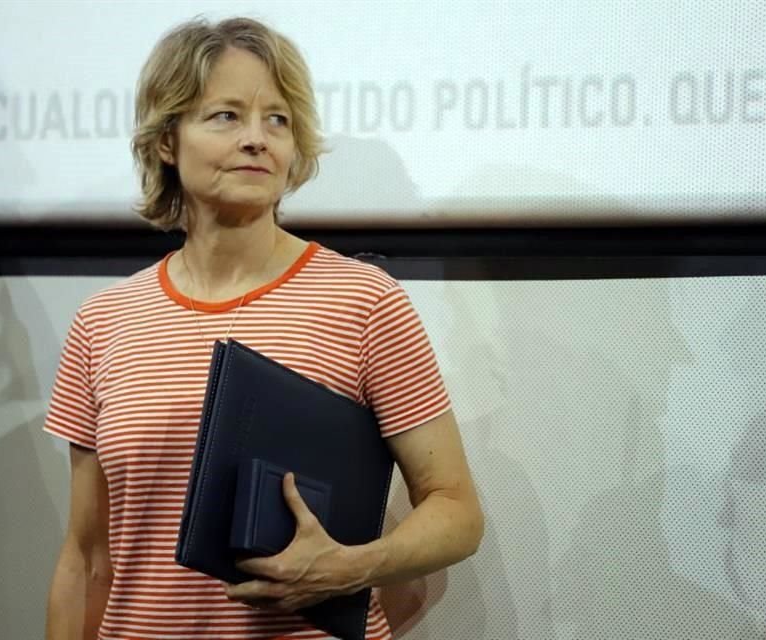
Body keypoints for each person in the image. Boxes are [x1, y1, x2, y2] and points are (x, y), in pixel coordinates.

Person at [44, 16, 483, 640]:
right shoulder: (104, 321)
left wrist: (352, 567)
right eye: (226, 115)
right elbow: (86, 559)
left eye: (277, 119)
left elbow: (456, 510)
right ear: (167, 141)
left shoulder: (364, 301)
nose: (257, 139)